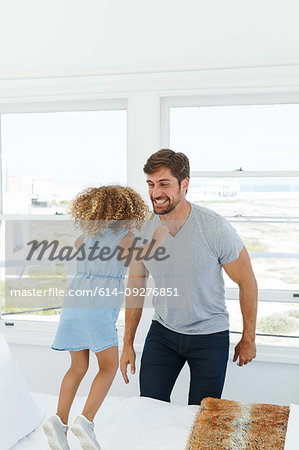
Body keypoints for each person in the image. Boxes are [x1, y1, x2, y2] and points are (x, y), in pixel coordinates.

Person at [120, 149, 258, 406]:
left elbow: (247, 281)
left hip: (210, 336)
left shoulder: (214, 227)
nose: (155, 193)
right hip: (163, 333)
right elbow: (136, 284)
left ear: (185, 184)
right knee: (149, 409)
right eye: (150, 184)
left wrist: (248, 337)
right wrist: (127, 342)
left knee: (202, 417)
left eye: (164, 184)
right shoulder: (142, 230)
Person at [43, 185, 168, 450]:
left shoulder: (83, 238)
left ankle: (58, 421)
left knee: (77, 367)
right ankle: (85, 421)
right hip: (97, 309)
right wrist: (158, 237)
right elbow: (144, 256)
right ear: (128, 210)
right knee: (108, 367)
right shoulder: (126, 238)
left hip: (72, 307)